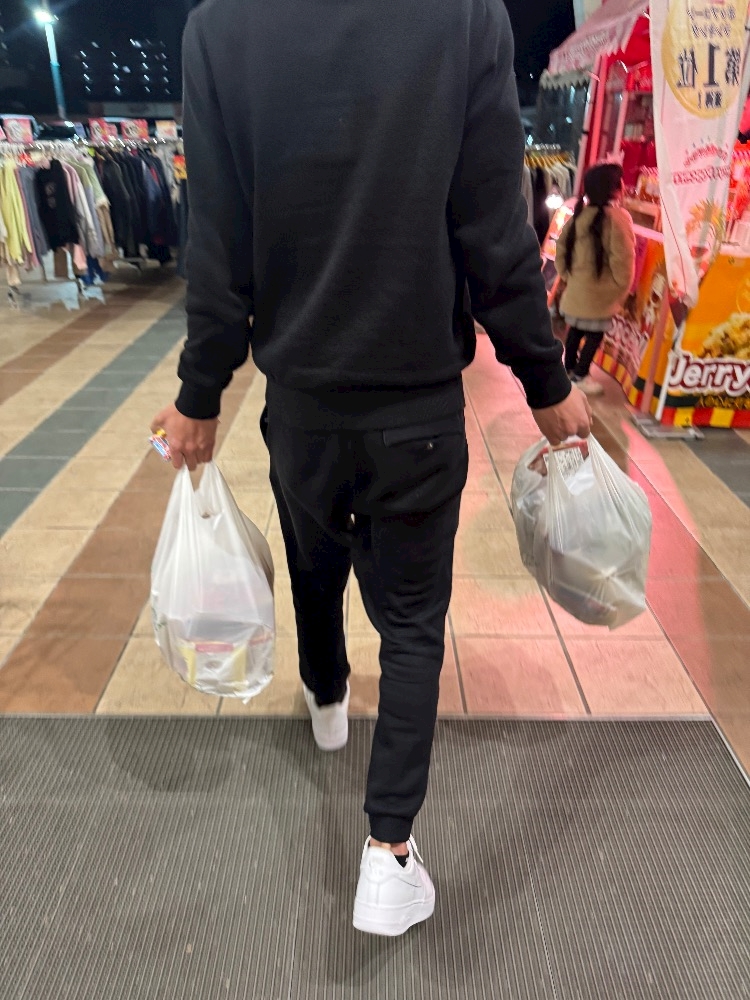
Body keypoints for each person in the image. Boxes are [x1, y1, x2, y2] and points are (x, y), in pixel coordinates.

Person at [152, 0, 593, 937]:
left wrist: (200, 393)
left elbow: (216, 238)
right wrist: (545, 379)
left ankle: (324, 698)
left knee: (313, 563)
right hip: (416, 408)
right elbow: (494, 229)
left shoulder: (221, 28)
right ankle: (389, 855)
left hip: (302, 404)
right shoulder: (464, 18)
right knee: (414, 625)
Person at [555, 162, 636, 396]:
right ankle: (580, 375)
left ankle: (568, 370)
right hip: (602, 295)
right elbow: (624, 260)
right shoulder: (619, 218)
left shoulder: (579, 215)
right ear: (615, 189)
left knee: (575, 331)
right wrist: (620, 289)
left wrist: (567, 275)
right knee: (594, 335)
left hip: (577, 291)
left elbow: (561, 249)